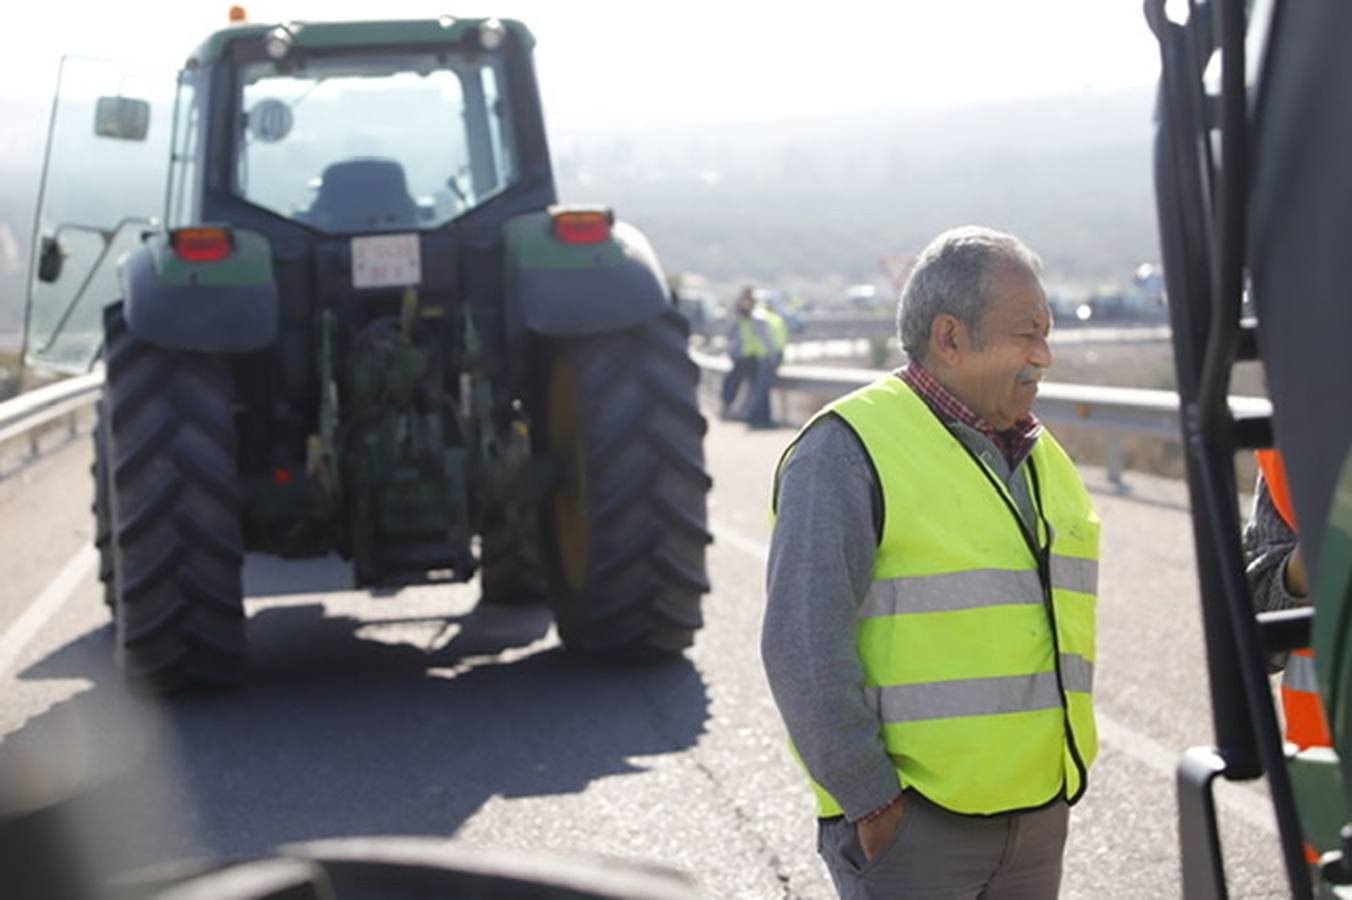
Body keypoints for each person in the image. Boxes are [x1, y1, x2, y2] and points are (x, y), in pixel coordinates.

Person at [762, 226, 1101, 899]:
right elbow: (801, 645)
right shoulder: (844, 451)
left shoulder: (1040, 456)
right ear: (950, 339)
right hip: (915, 833)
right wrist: (872, 803)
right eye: (1027, 333)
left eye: (1048, 332)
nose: (1045, 356)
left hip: (1037, 817)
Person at [721, 286, 771, 420]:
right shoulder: (737, 319)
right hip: (740, 358)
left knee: (754, 388)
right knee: (732, 383)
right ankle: (728, 410)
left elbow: (765, 339)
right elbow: (729, 336)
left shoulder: (758, 319)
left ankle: (747, 413)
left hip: (756, 358)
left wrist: (768, 355)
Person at [745, 298, 790, 428]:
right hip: (767, 357)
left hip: (768, 356)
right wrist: (773, 357)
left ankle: (762, 418)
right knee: (762, 390)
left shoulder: (769, 317)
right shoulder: (762, 316)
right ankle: (758, 418)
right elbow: (765, 338)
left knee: (763, 389)